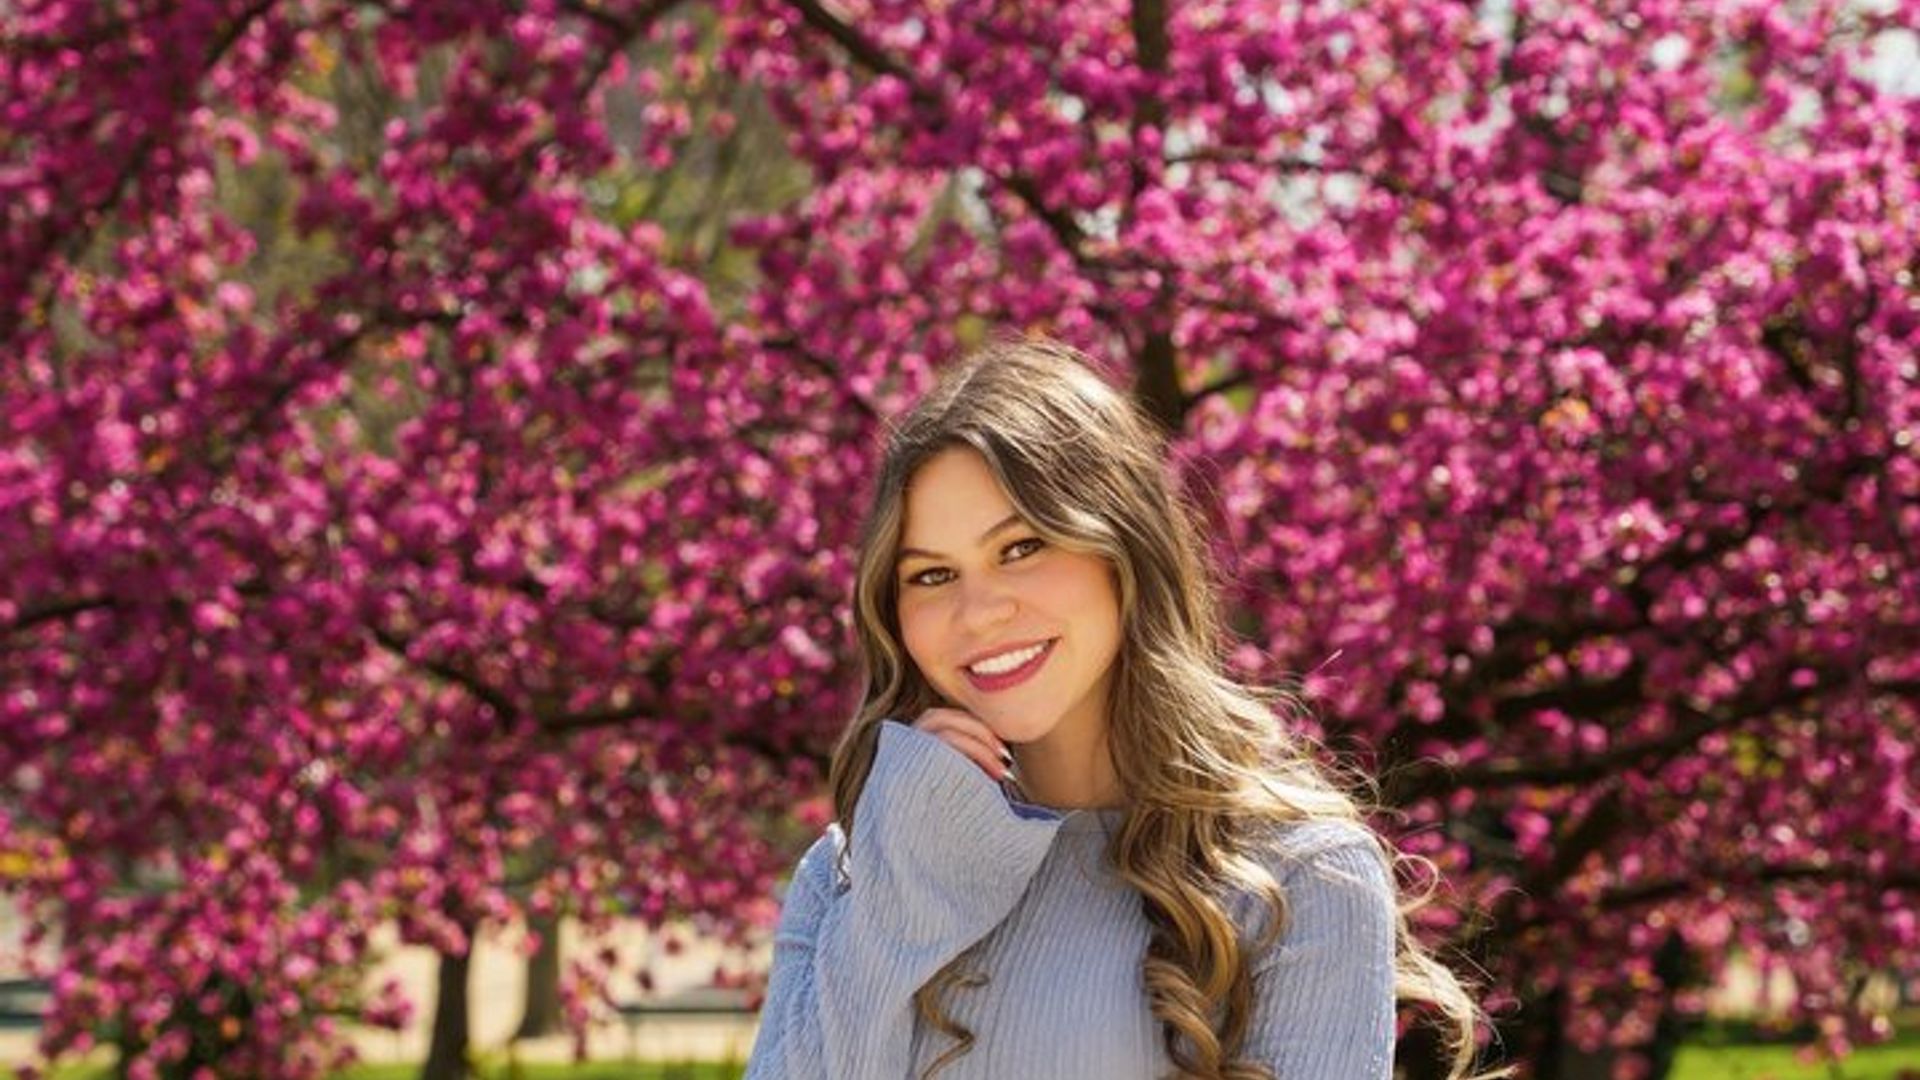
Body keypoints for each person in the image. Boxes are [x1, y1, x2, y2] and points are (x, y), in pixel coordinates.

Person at [744, 337, 1511, 1080]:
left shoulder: (1299, 877)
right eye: (933, 575)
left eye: (1021, 548)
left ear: (1125, 551)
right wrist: (901, 887)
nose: (976, 613)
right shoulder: (849, 875)